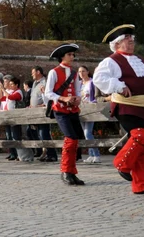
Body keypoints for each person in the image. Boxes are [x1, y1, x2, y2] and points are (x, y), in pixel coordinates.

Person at [93, 24, 144, 195]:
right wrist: (118, 86)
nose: (131, 41)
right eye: (127, 38)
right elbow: (99, 78)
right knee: (141, 135)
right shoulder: (111, 61)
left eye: (132, 38)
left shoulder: (140, 60)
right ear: (117, 43)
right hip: (126, 106)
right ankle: (121, 163)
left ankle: (141, 185)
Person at [45, 43, 85, 186]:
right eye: (69, 54)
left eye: (73, 55)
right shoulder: (54, 72)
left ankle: (72, 172)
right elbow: (48, 93)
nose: (72, 57)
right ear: (62, 57)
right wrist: (63, 98)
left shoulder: (74, 73)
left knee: (76, 141)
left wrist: (77, 99)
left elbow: (77, 91)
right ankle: (65, 171)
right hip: (60, 110)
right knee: (70, 139)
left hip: (72, 110)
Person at [30, 66, 57, 162]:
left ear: (38, 72)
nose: (31, 74)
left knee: (44, 133)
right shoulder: (34, 83)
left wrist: (41, 104)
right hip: (35, 112)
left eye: (33, 72)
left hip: (43, 111)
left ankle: (52, 154)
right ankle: (46, 153)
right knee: (40, 134)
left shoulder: (45, 82)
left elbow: (48, 96)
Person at [78, 66, 101, 163]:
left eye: (83, 71)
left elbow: (95, 96)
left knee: (88, 133)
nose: (81, 73)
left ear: (87, 72)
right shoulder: (79, 84)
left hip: (90, 109)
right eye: (79, 71)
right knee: (85, 133)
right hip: (80, 109)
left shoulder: (92, 82)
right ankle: (91, 155)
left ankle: (96, 155)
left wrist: (92, 102)